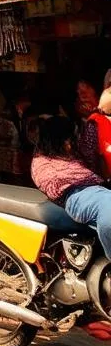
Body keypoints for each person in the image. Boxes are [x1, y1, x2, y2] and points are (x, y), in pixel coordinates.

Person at [31, 111, 111, 259]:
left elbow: (89, 147)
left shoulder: (69, 153)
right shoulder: (43, 162)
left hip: (95, 191)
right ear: (60, 140)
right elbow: (54, 187)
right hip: (78, 195)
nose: (73, 141)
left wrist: (94, 116)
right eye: (70, 138)